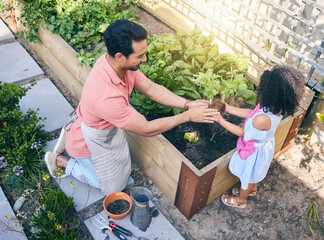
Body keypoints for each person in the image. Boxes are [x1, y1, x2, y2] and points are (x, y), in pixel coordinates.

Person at [45, 19, 219, 195]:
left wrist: (187, 104)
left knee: (122, 170)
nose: (145, 58)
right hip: (92, 138)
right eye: (140, 56)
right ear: (120, 56)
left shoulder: (114, 64)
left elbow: (151, 88)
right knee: (113, 188)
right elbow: (146, 128)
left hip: (102, 123)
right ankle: (62, 161)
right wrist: (186, 116)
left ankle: (70, 132)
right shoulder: (107, 98)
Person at [215, 65, 305, 208]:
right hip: (264, 145)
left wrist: (220, 120)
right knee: (254, 174)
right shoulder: (274, 107)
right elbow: (251, 113)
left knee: (247, 176)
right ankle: (252, 189)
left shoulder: (261, 120)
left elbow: (243, 134)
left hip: (253, 151)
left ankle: (241, 200)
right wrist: (227, 108)